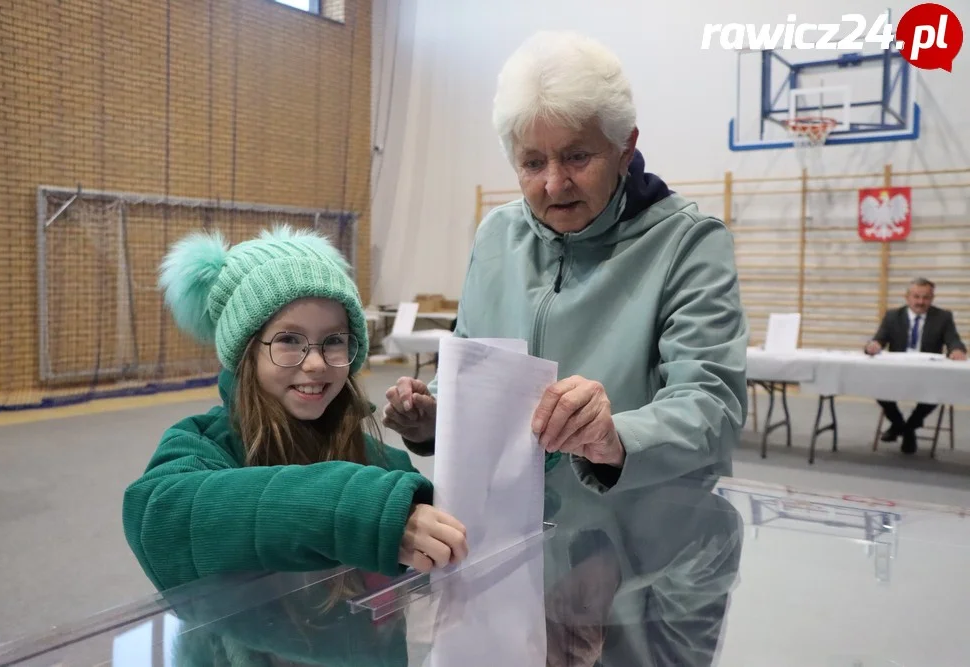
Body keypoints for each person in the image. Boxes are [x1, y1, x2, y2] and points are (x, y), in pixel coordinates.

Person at [383, 31, 748, 493]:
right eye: (533, 163)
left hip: (644, 536)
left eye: (577, 156)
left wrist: (616, 437)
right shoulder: (496, 235)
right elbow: (472, 367)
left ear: (625, 147)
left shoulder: (688, 243)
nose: (555, 185)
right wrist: (434, 416)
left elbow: (713, 407)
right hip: (508, 523)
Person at [122, 226, 468, 593]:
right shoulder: (203, 445)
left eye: (334, 341)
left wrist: (439, 433)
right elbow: (161, 516)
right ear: (244, 353)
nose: (317, 363)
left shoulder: (383, 465)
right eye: (289, 340)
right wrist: (357, 511)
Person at [864, 277, 966, 453]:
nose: (920, 302)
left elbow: (954, 341)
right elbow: (879, 339)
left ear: (932, 298)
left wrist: (957, 350)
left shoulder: (943, 317)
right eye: (916, 297)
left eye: (926, 298)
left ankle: (907, 428)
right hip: (898, 371)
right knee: (877, 387)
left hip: (929, 373)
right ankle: (901, 425)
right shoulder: (892, 316)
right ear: (907, 297)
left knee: (938, 392)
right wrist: (873, 346)